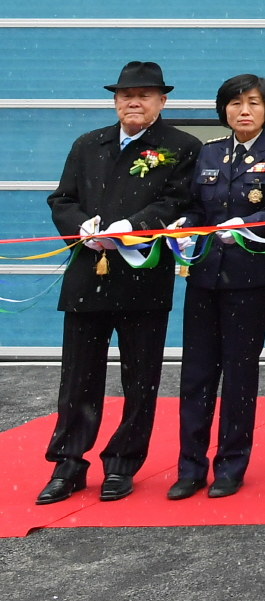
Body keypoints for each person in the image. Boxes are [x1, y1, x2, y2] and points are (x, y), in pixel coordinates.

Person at [40, 61, 200, 505]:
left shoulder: (180, 146)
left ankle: (122, 463)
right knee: (78, 378)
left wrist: (134, 225)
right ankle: (68, 464)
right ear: (115, 101)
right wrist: (80, 227)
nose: (134, 102)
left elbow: (179, 202)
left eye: (144, 95)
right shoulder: (89, 144)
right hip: (87, 275)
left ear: (162, 101)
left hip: (142, 277)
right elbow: (62, 199)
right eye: (126, 95)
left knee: (140, 379)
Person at [168, 74, 265, 501]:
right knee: (196, 374)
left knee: (240, 373)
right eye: (235, 103)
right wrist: (184, 226)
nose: (244, 111)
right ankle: (190, 467)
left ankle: (230, 465)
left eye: (253, 103)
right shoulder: (208, 151)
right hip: (204, 275)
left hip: (250, 278)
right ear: (223, 109)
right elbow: (196, 207)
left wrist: (245, 225)